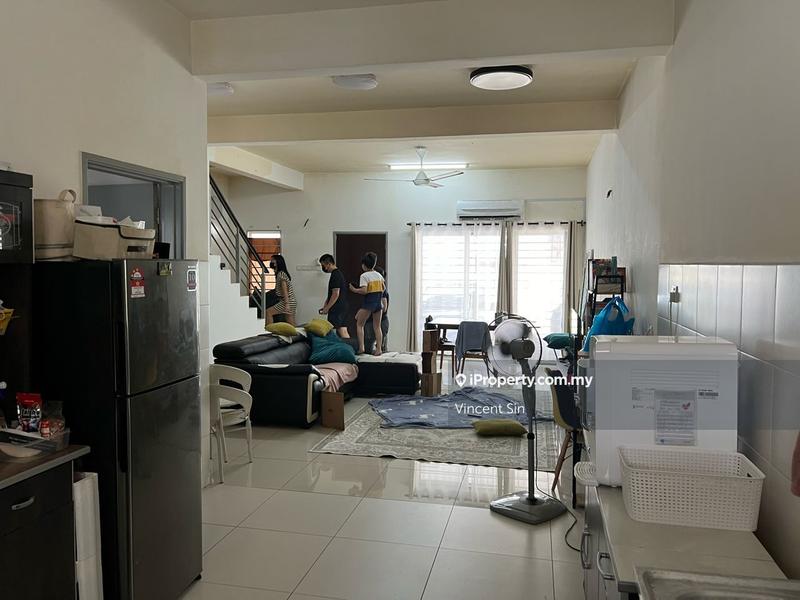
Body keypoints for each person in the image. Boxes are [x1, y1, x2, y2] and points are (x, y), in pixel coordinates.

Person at [349, 252, 384, 355]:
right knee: (377, 327)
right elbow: (383, 288)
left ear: (364, 265)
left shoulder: (364, 276)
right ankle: (379, 349)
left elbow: (364, 291)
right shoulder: (379, 275)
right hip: (378, 303)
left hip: (369, 302)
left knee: (359, 324)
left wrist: (354, 290)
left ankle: (361, 348)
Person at [318, 253, 349, 338]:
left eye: (323, 265)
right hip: (342, 306)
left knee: (338, 330)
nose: (323, 268)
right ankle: (349, 345)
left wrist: (327, 308)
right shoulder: (337, 274)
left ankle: (345, 345)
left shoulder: (335, 275)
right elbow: (331, 294)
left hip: (337, 308)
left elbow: (335, 294)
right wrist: (326, 305)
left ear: (329, 264)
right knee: (342, 329)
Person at [265, 254, 296, 326]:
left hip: (288, 301)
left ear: (278, 262)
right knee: (291, 324)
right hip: (291, 301)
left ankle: (270, 331)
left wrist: (287, 304)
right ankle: (297, 333)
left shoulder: (281, 274)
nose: (271, 262)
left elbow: (285, 290)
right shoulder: (281, 273)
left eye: (273, 260)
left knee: (268, 312)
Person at [365, 266, 389, 352]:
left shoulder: (382, 291)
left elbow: (384, 308)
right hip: (371, 321)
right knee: (369, 348)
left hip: (380, 322)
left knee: (379, 348)